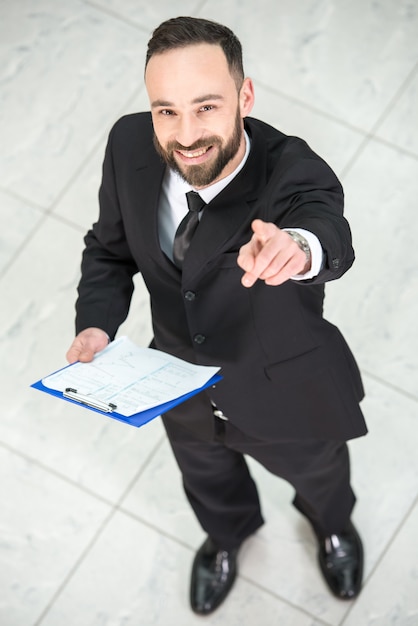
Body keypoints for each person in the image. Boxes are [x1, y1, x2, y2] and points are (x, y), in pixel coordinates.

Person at [66, 16, 368, 615]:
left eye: (206, 107)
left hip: (285, 386)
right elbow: (109, 248)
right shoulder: (129, 144)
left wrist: (297, 248)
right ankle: (227, 537)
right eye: (166, 111)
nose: (186, 135)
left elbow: (326, 231)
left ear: (244, 96)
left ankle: (331, 528)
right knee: (206, 478)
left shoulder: (290, 170)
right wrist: (98, 321)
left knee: (321, 477)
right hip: (179, 380)